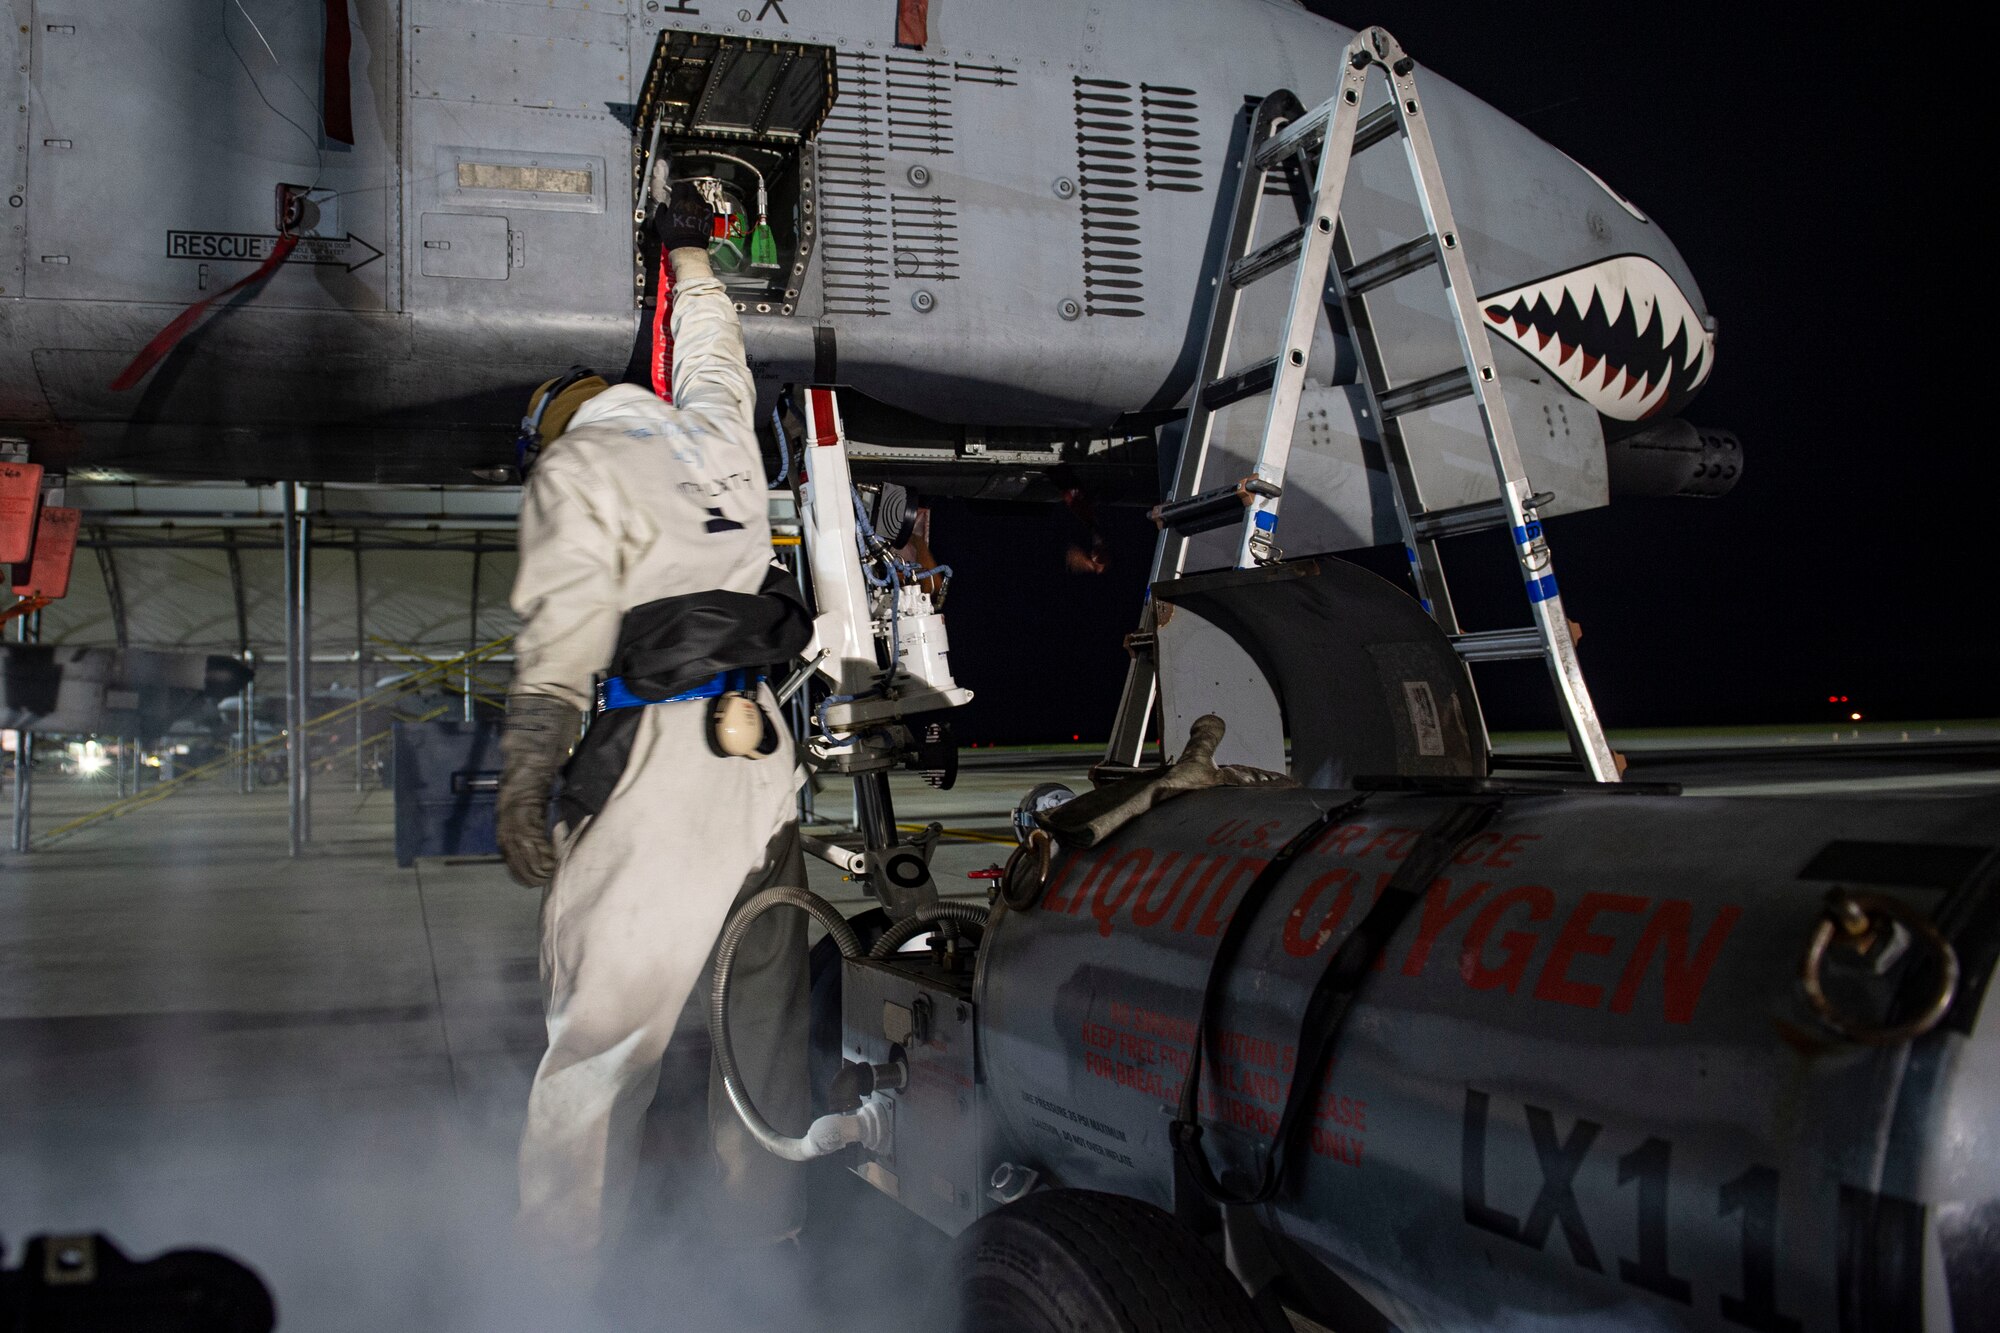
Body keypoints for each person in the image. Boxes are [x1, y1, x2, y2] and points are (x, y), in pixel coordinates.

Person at [498, 182, 814, 1264]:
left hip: (663, 775)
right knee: (756, 1034)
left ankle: (555, 1275)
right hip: (764, 764)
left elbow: (559, 636)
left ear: (550, 427)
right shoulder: (716, 431)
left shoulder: (576, 466)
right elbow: (718, 356)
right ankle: (764, 1247)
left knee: (596, 1052)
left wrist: (527, 775)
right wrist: (688, 262)